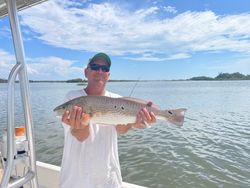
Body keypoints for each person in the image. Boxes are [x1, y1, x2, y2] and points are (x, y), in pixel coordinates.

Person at [59, 52, 156, 188]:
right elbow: (80, 136)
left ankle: (170, 115)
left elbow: (121, 129)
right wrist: (81, 126)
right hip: (76, 181)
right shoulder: (73, 98)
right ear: (86, 72)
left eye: (105, 69)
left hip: (109, 179)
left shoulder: (116, 99)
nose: (100, 71)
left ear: (108, 75)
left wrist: (134, 122)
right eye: (95, 66)